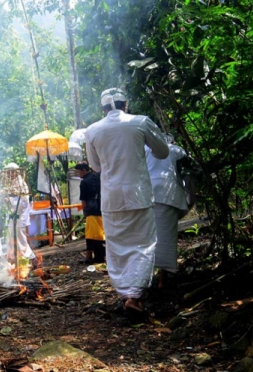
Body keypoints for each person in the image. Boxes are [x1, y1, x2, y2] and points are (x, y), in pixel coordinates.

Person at [85, 87, 169, 321]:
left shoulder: (92, 130)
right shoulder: (141, 122)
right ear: (126, 104)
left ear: (102, 108)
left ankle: (126, 295)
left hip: (111, 198)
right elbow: (162, 152)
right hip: (138, 194)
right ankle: (135, 295)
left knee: (117, 247)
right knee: (143, 244)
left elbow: (95, 167)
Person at [146, 139, 189, 288]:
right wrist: (190, 197)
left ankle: (146, 278)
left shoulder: (146, 149)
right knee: (166, 237)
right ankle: (162, 279)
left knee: (148, 236)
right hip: (168, 193)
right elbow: (188, 173)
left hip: (148, 193)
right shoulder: (178, 150)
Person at [4, 163, 39, 268]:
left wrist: (9, 201)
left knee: (21, 242)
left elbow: (23, 203)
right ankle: (15, 263)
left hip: (18, 217)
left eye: (10, 172)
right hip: (12, 217)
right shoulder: (12, 183)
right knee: (12, 241)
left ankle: (31, 261)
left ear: (16, 172)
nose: (8, 174)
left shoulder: (20, 183)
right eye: (7, 172)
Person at [75, 161, 105, 264]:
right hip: (101, 207)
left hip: (91, 209)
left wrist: (85, 212)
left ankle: (89, 257)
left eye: (79, 172)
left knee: (91, 235)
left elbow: (83, 200)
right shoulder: (97, 176)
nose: (78, 174)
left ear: (84, 170)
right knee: (101, 233)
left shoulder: (84, 183)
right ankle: (99, 256)